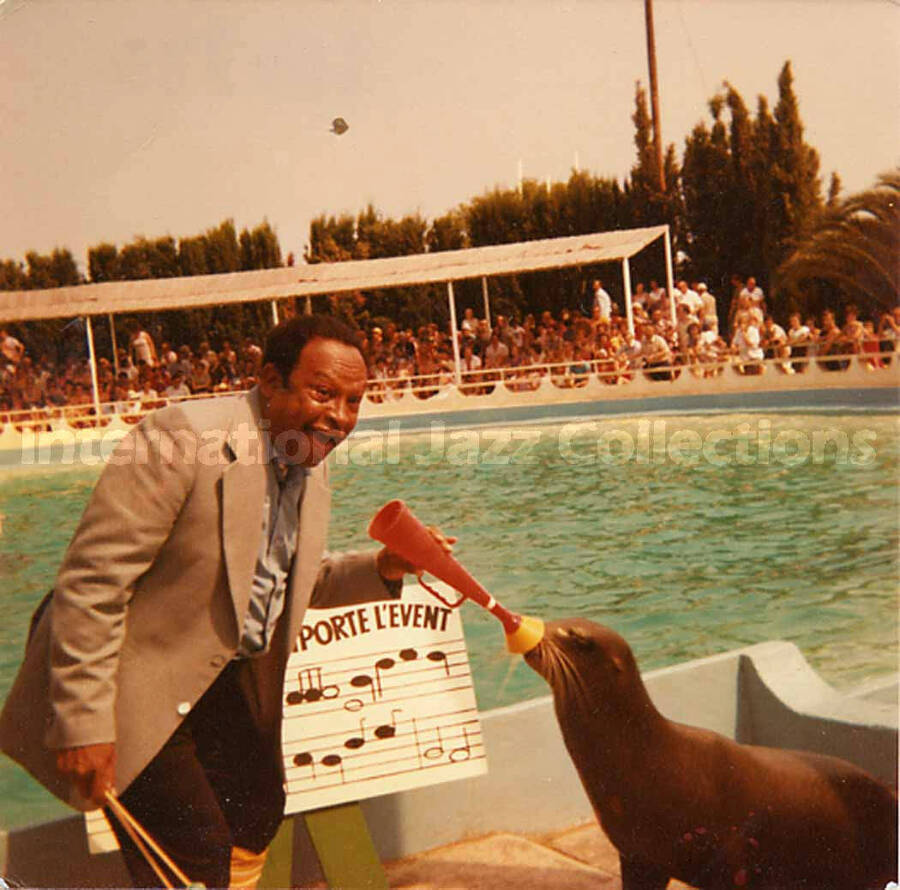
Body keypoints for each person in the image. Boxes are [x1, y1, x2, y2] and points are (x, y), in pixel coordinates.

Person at [0, 315, 450, 888]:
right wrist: (83, 724)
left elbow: (284, 584)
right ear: (269, 379)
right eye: (322, 393)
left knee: (257, 812)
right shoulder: (180, 438)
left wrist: (384, 567)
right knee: (196, 852)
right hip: (133, 685)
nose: (339, 416)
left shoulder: (308, 464)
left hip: (221, 683)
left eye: (353, 401)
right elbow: (92, 586)